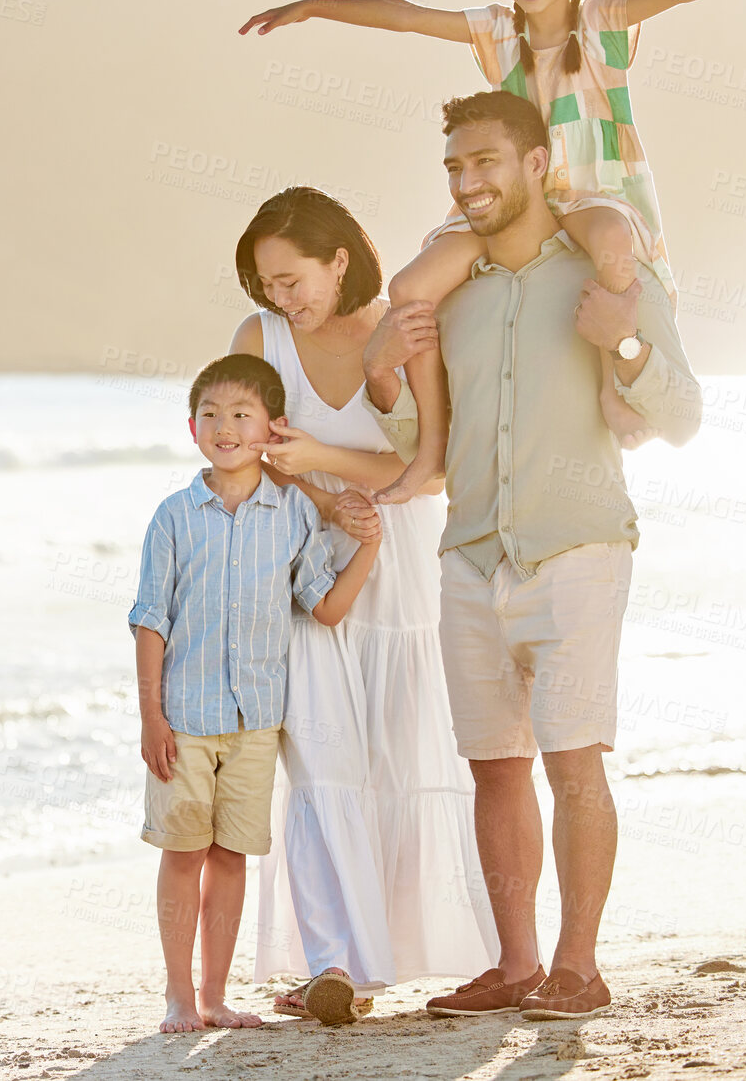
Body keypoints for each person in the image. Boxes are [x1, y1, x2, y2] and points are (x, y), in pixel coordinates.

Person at [240, 0, 746, 491]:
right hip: (509, 203)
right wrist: (314, 6)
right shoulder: (497, 34)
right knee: (408, 287)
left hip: (593, 192)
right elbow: (404, 15)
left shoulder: (604, 22)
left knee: (612, 241)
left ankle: (615, 389)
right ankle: (429, 449)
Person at [362, 89, 701, 1020]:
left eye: (485, 163)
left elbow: (682, 416)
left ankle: (578, 967)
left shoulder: (606, 273)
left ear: (536, 163)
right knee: (495, 768)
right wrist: (387, 373)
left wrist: (622, 339)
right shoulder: (451, 294)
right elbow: (417, 441)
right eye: (455, 168)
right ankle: (515, 964)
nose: (469, 183)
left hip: (578, 550)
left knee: (573, 762)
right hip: (469, 554)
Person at [225, 187, 499, 1026]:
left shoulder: (403, 322)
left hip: (400, 567)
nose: (283, 297)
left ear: (337, 258)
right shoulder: (259, 339)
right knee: (320, 763)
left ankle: (399, 950)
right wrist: (312, 483)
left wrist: (322, 456)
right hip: (305, 571)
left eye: (292, 277)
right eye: (268, 284)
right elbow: (240, 445)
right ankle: (333, 960)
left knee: (398, 752)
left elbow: (435, 465)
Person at [127, 353, 382, 1034]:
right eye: (210, 414)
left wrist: (370, 550)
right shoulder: (175, 517)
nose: (225, 426)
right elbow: (150, 619)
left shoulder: (293, 513)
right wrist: (150, 715)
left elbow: (324, 607)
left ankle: (214, 997)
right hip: (184, 719)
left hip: (254, 722)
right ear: (192, 427)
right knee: (183, 853)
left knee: (230, 857)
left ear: (270, 427)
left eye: (241, 414)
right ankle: (179, 997)